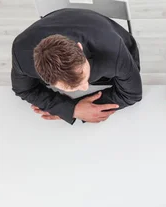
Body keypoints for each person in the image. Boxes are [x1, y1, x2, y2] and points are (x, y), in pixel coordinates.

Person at [11, 8, 142, 125]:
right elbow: (24, 89)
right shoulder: (22, 54)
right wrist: (72, 110)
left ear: (79, 48)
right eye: (73, 87)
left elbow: (132, 94)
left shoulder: (113, 49)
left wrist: (72, 109)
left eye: (83, 77)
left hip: (113, 52)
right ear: (43, 77)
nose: (85, 87)